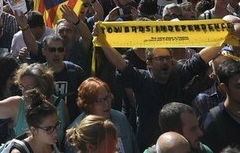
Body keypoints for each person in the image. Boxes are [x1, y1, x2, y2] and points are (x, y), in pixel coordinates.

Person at [96, 26, 226, 149]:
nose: (165, 62)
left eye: (168, 58)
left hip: (178, 145)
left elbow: (200, 59)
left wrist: (224, 38)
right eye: (160, 58)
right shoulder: (141, 79)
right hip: (149, 145)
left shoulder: (177, 75)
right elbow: (122, 65)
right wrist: (103, 43)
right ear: (149, 63)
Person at [0, 62, 68, 144]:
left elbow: (65, 139)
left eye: (30, 87)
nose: (25, 92)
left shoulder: (60, 104)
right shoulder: (17, 104)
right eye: (22, 86)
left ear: (43, 85)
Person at [64, 78, 138, 153]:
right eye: (100, 101)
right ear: (88, 105)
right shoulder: (79, 132)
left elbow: (134, 148)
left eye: (107, 97)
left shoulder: (121, 118)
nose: (106, 104)